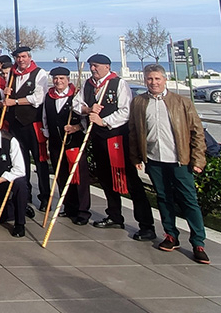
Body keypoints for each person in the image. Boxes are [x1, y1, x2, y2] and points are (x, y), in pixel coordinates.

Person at [130, 64, 208, 263]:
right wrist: (136, 156)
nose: (153, 82)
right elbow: (134, 132)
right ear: (145, 80)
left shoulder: (181, 102)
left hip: (179, 161)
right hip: (155, 160)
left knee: (189, 201)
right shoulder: (139, 102)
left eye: (157, 79)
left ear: (164, 80)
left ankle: (198, 242)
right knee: (163, 198)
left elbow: (197, 132)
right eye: (149, 79)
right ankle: (170, 235)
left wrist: (198, 159)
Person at [74, 53, 156, 241]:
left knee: (132, 182)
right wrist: (88, 110)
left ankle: (146, 225)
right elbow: (76, 104)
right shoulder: (88, 85)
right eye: (91, 66)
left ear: (107, 66)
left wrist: (103, 121)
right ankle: (114, 215)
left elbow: (126, 111)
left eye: (95, 66)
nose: (92, 69)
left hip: (117, 139)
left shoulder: (119, 84)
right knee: (105, 178)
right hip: (97, 139)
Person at [1, 46, 49, 215]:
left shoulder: (39, 73)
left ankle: (45, 197)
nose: (20, 60)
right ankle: (25, 194)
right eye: (18, 57)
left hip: (33, 124)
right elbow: (6, 97)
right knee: (20, 161)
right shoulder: (13, 74)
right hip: (16, 124)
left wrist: (15, 101)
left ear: (29, 57)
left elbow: (38, 98)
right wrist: (6, 93)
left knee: (40, 161)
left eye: (23, 57)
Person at [42, 67, 91, 225]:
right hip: (56, 143)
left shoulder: (76, 96)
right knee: (61, 175)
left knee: (79, 177)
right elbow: (45, 118)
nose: (58, 81)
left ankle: (82, 211)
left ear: (68, 80)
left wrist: (76, 128)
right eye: (56, 78)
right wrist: (48, 135)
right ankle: (69, 206)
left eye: (62, 78)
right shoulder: (49, 97)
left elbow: (85, 119)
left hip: (73, 143)